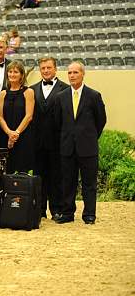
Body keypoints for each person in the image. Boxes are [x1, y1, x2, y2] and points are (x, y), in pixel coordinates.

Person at [54, 61, 106, 225]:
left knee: (89, 183)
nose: (72, 76)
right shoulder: (60, 97)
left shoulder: (94, 96)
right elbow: (57, 122)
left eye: (75, 72)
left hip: (88, 147)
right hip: (67, 147)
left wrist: (89, 137)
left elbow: (101, 121)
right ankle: (67, 213)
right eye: (69, 73)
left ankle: (89, 214)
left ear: (83, 74)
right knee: (67, 181)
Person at [31, 57, 69, 219]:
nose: (46, 71)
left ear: (55, 69)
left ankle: (57, 209)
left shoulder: (66, 89)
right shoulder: (31, 90)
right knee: (39, 177)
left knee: (56, 176)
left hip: (57, 141)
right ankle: (39, 210)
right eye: (43, 68)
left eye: (48, 68)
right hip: (38, 142)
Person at [0, 61, 35, 174]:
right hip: (5, 136)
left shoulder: (28, 92)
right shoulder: (3, 93)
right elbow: (0, 116)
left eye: (15, 72)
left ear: (21, 75)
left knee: (22, 171)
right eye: (10, 72)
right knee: (7, 170)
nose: (12, 74)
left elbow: (29, 116)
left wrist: (16, 133)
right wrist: (9, 133)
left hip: (23, 136)